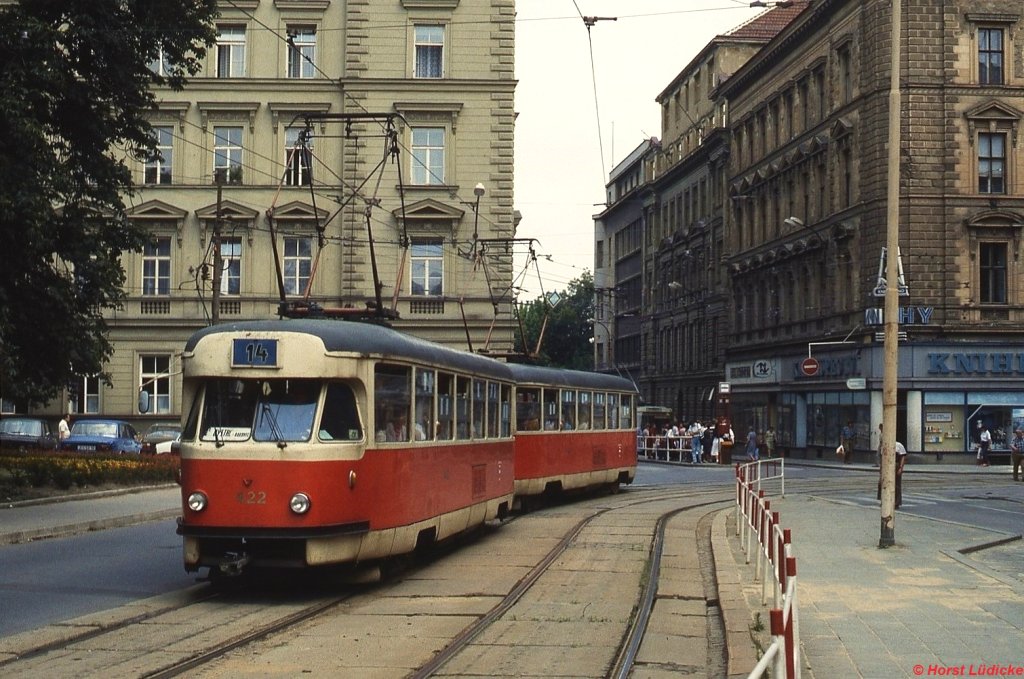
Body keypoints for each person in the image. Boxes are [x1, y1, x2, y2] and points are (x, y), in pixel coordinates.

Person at [877, 437, 908, 509]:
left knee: (896, 484)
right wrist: (881, 468)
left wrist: (901, 467)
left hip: (895, 465)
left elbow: (903, 457)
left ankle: (896, 503)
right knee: (882, 483)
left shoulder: (898, 445)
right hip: (886, 465)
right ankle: (884, 500)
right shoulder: (884, 445)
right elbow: (882, 458)